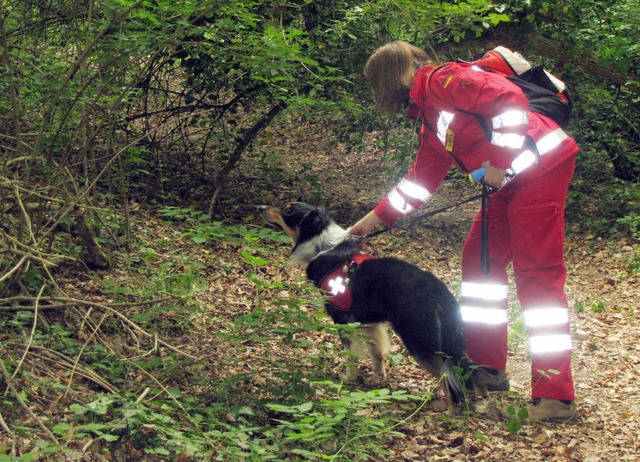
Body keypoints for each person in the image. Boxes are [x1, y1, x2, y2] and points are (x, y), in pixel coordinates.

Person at [348, 41, 578, 422]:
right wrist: (371, 222)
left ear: (390, 78)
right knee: (479, 268)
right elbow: (420, 181)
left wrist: (499, 162)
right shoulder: (430, 114)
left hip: (543, 168)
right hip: (507, 183)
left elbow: (509, 102)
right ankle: (487, 369)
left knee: (537, 279)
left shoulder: (443, 80)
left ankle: (555, 397)